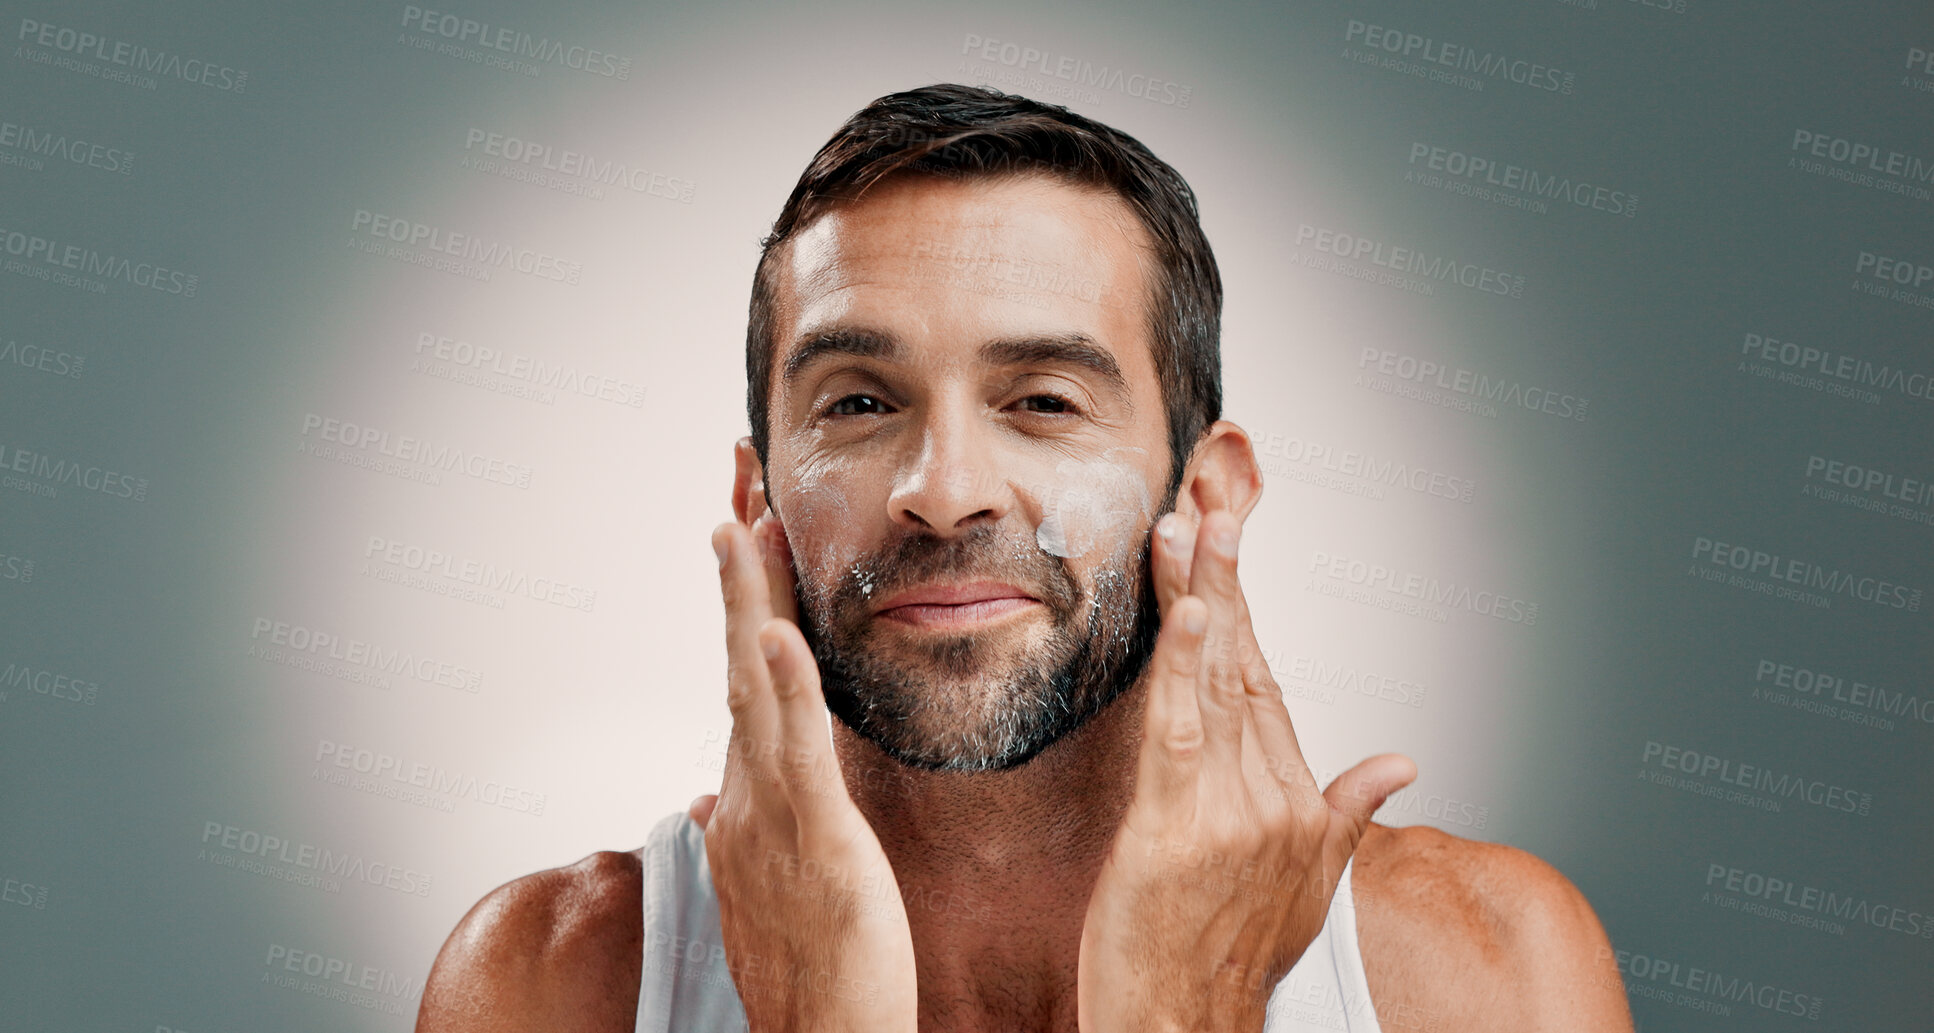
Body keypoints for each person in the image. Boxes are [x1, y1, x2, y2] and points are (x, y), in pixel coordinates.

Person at [416, 84, 1634, 1033]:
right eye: (855, 404)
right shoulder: (551, 980)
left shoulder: (1478, 969)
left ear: (1201, 498)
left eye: (1043, 401)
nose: (943, 493)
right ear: (758, 502)